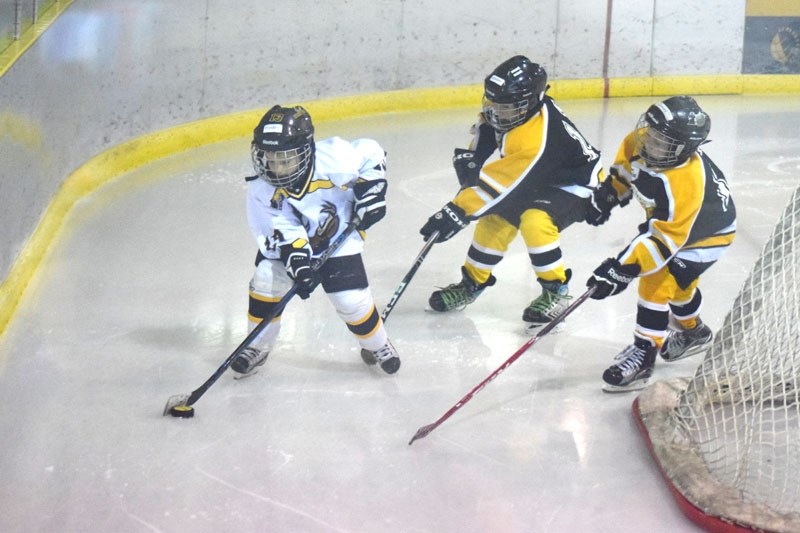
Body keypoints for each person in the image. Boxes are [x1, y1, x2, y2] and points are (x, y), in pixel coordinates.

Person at [419, 55, 603, 332]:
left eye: (508, 108)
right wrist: (474, 156)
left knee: (535, 220)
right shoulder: (518, 112)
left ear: (532, 102)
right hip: (541, 175)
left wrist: (457, 211)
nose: (498, 113)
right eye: (495, 104)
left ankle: (556, 290)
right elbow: (488, 126)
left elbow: (499, 185)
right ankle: (472, 283)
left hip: (575, 184)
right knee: (494, 219)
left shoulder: (536, 138)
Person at [232, 104, 400, 376]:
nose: (276, 168)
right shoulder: (261, 189)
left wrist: (372, 191)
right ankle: (257, 346)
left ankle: (377, 344)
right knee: (266, 280)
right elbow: (278, 225)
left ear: (306, 150)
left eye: (285, 159)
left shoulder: (335, 159)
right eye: (270, 158)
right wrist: (298, 262)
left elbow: (372, 152)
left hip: (338, 236)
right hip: (291, 246)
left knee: (349, 300)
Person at [585, 95, 736, 392]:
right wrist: (608, 195)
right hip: (677, 225)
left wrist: (621, 269)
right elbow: (626, 171)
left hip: (707, 235)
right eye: (650, 133)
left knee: (656, 280)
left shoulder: (685, 181)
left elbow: (663, 240)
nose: (649, 143)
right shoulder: (639, 142)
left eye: (661, 142)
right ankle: (695, 334)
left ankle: (644, 354)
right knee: (679, 288)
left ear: (684, 149)